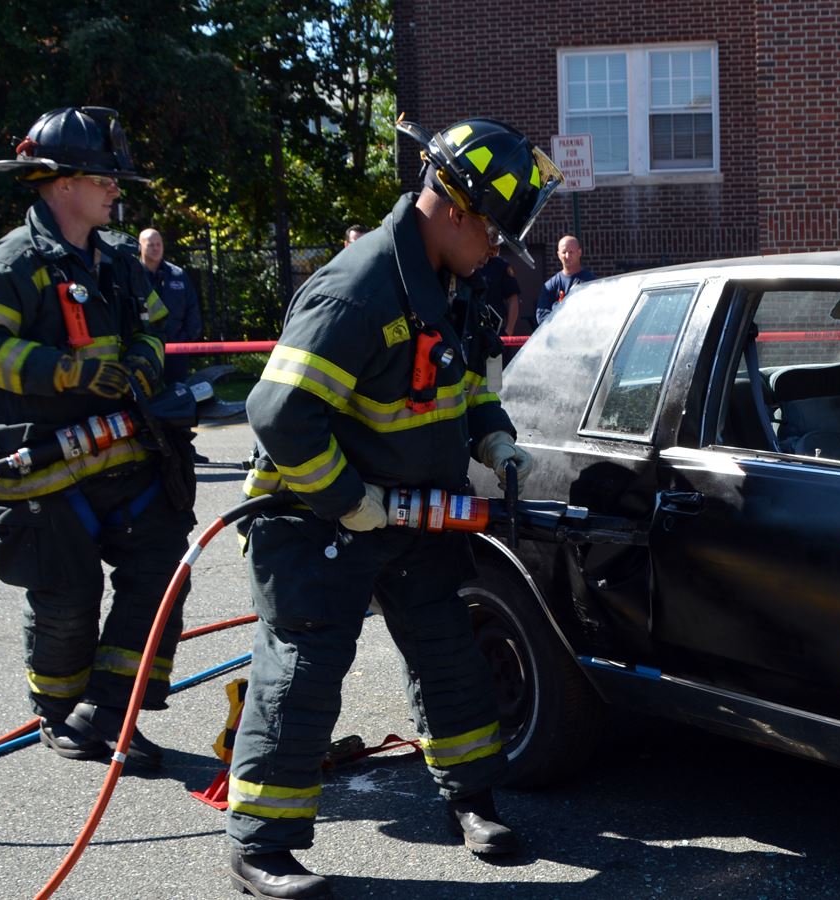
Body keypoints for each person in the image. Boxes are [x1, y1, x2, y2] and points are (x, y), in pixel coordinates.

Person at [226, 117, 562, 898]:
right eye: (494, 236)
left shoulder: (460, 284)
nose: (499, 253)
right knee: (303, 672)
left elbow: (473, 385)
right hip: (314, 517)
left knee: (448, 653)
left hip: (411, 515)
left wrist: (495, 441)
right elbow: (279, 413)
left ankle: (470, 802)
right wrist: (352, 501)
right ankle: (260, 847)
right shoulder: (360, 286)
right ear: (454, 209)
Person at [0, 107, 196, 771]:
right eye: (106, 178)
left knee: (162, 576)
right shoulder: (10, 266)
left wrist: (146, 360)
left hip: (124, 462)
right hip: (44, 472)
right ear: (61, 182)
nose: (116, 189)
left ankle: (108, 709)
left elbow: (155, 327)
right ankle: (58, 714)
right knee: (67, 601)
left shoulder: (119, 264)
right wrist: (67, 372)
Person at [138, 227, 202, 383]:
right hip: (144, 349)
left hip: (176, 348)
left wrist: (186, 339)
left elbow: (192, 308)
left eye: (158, 244)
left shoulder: (178, 275)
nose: (155, 248)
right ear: (140, 247)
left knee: (177, 393)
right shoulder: (133, 275)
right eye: (150, 245)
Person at [534, 234, 594, 325]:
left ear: (579, 252)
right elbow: (542, 316)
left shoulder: (591, 282)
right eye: (564, 252)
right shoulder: (550, 285)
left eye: (571, 252)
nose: (567, 256)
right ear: (558, 255)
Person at [478, 253, 520, 336]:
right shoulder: (465, 264)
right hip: (470, 329)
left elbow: (513, 299)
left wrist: (509, 330)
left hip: (496, 328)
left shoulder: (500, 266)